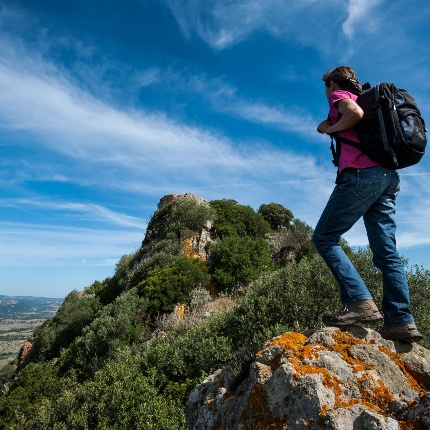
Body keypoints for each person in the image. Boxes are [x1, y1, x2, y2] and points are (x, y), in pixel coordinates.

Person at [313, 66, 422, 343]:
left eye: (326, 86)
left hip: (361, 176)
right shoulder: (373, 101)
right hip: (388, 178)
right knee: (387, 252)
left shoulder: (340, 94)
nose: (327, 92)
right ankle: (400, 321)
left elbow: (354, 114)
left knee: (324, 237)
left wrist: (332, 128)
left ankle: (359, 301)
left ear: (333, 83)